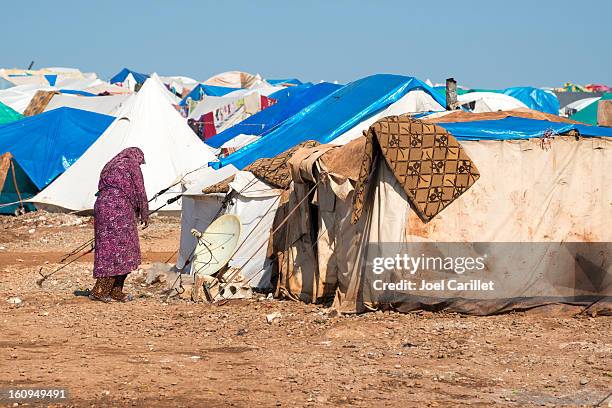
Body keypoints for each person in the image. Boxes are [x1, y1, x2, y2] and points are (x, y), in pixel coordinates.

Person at [89, 147, 149, 302]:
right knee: (121, 250)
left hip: (102, 206)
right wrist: (144, 212)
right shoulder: (131, 164)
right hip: (119, 208)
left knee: (108, 249)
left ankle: (115, 291)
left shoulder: (110, 164)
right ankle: (100, 290)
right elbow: (139, 189)